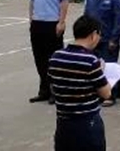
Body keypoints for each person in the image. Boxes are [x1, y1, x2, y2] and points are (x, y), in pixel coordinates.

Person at [48, 15, 112, 151]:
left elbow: (54, 88)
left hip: (63, 124)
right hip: (87, 124)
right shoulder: (91, 61)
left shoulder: (55, 57)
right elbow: (106, 93)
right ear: (94, 35)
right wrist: (101, 72)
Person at [28, 0, 71, 104]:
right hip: (37, 23)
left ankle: (56, 91)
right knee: (39, 58)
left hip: (52, 23)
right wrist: (31, 18)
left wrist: (62, 21)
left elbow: (64, 0)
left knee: (53, 59)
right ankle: (44, 90)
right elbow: (32, 0)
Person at [83, 0, 120, 107]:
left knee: (109, 67)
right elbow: (86, 16)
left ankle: (110, 95)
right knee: (93, 68)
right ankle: (96, 94)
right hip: (92, 39)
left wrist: (114, 39)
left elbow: (119, 20)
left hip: (108, 39)